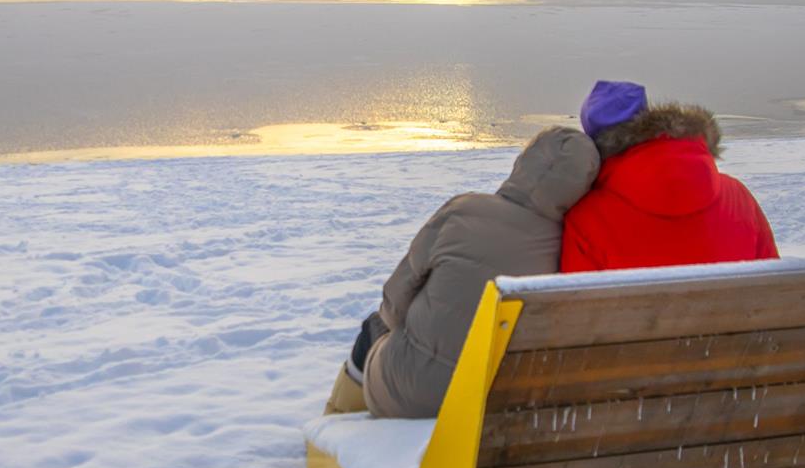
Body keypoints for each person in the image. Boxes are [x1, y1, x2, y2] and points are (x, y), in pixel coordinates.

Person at [326, 127, 599, 419]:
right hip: (494, 398)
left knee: (374, 328)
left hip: (413, 392)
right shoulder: (568, 245)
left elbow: (395, 302)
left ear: (524, 163)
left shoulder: (463, 210)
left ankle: (332, 426)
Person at [561, 80, 778, 271]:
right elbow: (774, 286)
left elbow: (575, 310)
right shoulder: (739, 198)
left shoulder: (586, 218)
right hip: (740, 317)